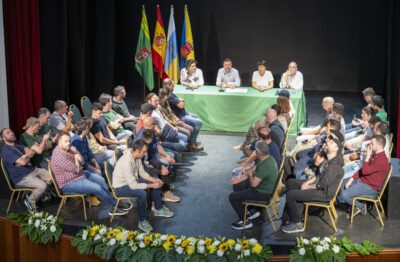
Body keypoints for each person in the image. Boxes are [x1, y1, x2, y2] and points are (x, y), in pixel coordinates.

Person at [51, 131, 128, 216]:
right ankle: (114, 207)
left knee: (101, 179)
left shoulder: (69, 148)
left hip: (79, 175)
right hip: (68, 183)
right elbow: (76, 169)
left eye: (69, 141)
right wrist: (76, 159)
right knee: (97, 188)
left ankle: (114, 201)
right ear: (59, 142)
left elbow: (83, 162)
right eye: (66, 141)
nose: (69, 143)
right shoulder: (58, 156)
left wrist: (76, 151)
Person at [281, 135, 344, 233]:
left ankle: (297, 223)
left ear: (337, 149)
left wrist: (307, 186)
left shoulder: (334, 166)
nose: (328, 143)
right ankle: (291, 216)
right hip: (318, 185)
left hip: (324, 193)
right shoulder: (328, 159)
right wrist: (309, 181)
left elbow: (322, 184)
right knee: (290, 183)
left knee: (291, 195)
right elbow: (319, 175)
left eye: (331, 143)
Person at [112, 140, 174, 232]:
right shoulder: (126, 162)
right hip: (121, 188)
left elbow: (142, 173)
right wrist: (151, 185)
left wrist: (155, 181)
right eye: (144, 152)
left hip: (131, 181)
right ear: (137, 151)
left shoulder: (136, 157)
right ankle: (142, 221)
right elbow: (133, 186)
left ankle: (158, 208)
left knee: (155, 182)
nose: (145, 154)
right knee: (142, 194)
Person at [229, 141, 278, 230]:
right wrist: (245, 170)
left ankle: (245, 221)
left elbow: (254, 184)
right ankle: (250, 210)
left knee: (232, 197)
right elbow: (255, 165)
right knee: (237, 186)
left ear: (258, 152)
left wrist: (250, 175)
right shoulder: (268, 158)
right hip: (264, 188)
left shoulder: (265, 166)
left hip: (262, 193)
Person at [338, 135, 390, 217]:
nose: (370, 145)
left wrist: (367, 157)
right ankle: (350, 204)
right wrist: (351, 179)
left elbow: (365, 171)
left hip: (371, 187)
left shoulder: (381, 160)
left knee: (344, 195)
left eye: (372, 143)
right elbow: (362, 170)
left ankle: (361, 206)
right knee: (342, 184)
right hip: (363, 181)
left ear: (378, 145)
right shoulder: (375, 155)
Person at [1, 128, 51, 210]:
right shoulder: (6, 150)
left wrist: (25, 156)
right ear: (3, 138)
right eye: (8, 133)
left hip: (33, 170)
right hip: (22, 177)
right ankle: (30, 201)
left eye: (11, 131)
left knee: (53, 179)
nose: (11, 133)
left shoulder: (18, 144)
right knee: (42, 186)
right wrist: (26, 156)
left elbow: (32, 152)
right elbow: (23, 162)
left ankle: (38, 194)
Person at [158, 87, 202, 152]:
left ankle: (190, 145)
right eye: (165, 95)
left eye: (167, 95)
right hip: (170, 125)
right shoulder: (159, 106)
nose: (167, 97)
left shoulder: (166, 102)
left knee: (191, 128)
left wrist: (180, 122)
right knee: (188, 131)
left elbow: (172, 114)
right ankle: (187, 146)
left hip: (175, 122)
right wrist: (178, 123)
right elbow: (166, 119)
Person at [165, 78, 203, 147]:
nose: (174, 87)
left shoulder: (170, 93)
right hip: (180, 116)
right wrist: (181, 101)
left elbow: (180, 101)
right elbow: (181, 105)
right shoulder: (169, 95)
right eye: (173, 86)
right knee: (199, 122)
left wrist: (180, 101)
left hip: (183, 113)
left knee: (194, 116)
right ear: (169, 86)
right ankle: (192, 144)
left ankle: (191, 141)